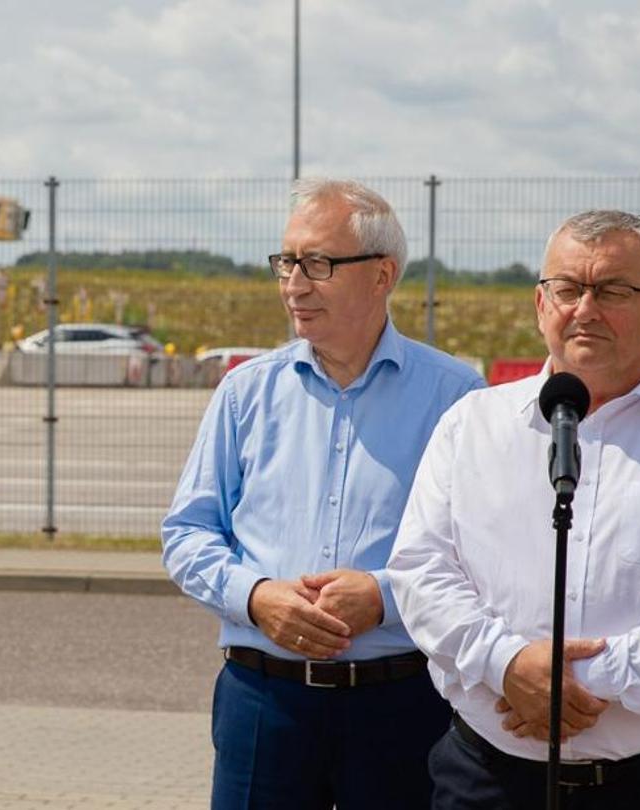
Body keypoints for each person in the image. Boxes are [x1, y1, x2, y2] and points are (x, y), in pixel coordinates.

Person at [387, 210, 640, 809]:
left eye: (613, 290)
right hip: (488, 780)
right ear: (539, 304)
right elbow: (422, 571)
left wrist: (575, 684)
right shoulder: (471, 426)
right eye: (568, 289)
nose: (585, 308)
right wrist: (506, 664)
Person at [162, 178, 485, 808]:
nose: (294, 284)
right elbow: (187, 532)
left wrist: (386, 596)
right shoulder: (245, 392)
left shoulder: (456, 398)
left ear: (382, 274)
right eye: (286, 262)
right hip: (264, 701)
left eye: (318, 264)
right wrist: (257, 598)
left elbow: (485, 553)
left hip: (403, 703)